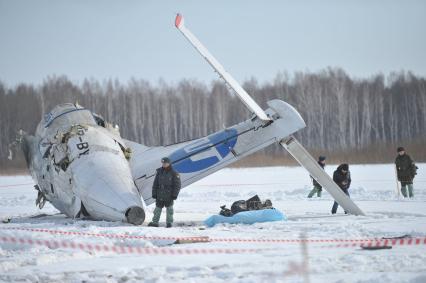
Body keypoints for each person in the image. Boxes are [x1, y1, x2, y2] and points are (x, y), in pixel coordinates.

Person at [148, 157, 181, 228]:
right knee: (157, 209)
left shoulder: (174, 173)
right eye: (163, 163)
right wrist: (154, 193)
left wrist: (174, 195)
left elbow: (177, 185)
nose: (164, 164)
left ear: (169, 163)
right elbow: (155, 184)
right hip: (159, 194)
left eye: (165, 163)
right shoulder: (159, 172)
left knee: (169, 210)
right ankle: (155, 222)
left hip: (169, 195)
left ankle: (169, 223)